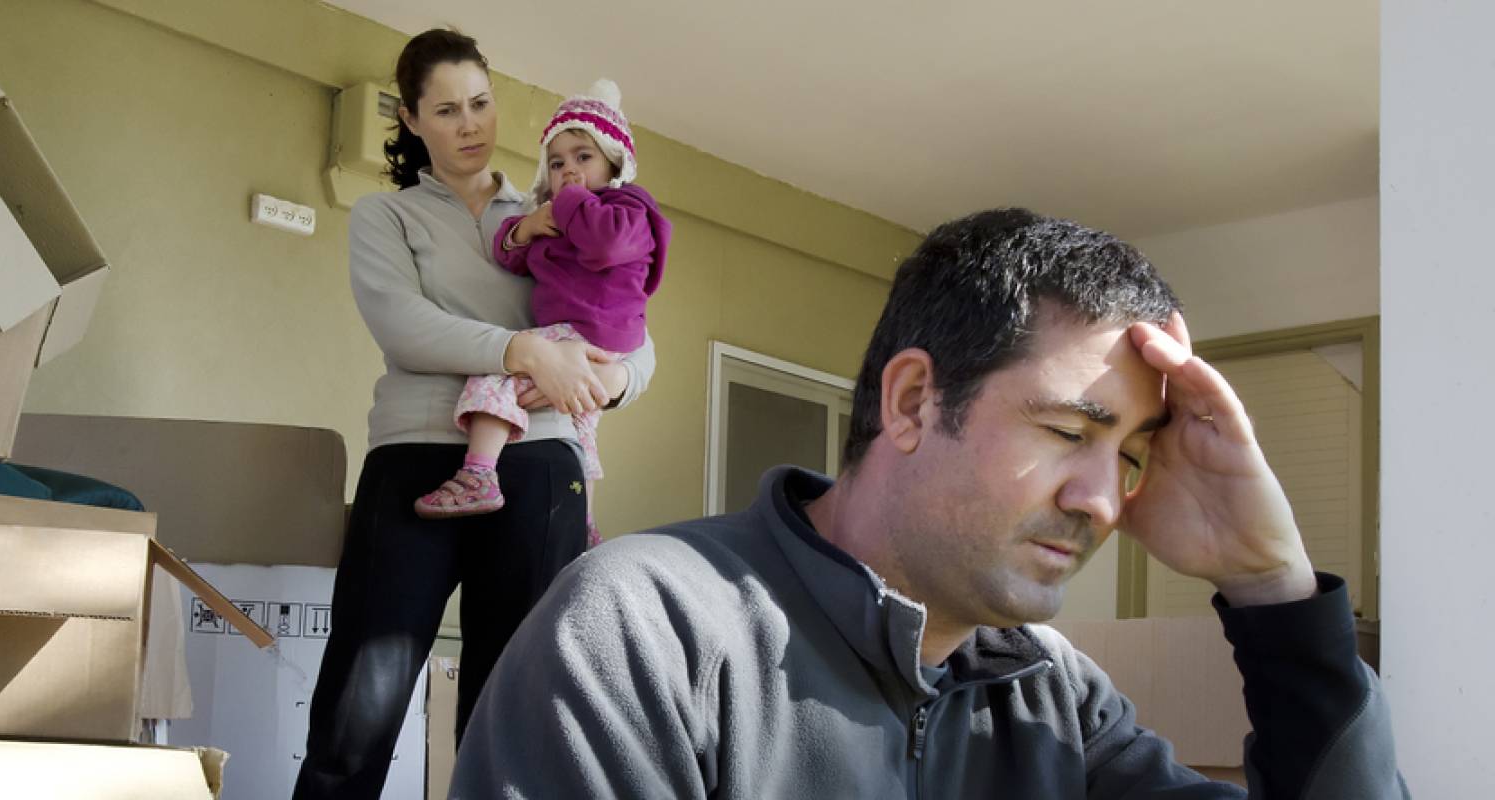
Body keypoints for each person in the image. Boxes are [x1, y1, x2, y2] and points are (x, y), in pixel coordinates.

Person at [451, 208, 1404, 798]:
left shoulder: (1054, 700)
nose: (1104, 500)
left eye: (1135, 456)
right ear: (913, 401)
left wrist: (1271, 588)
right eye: (1073, 434)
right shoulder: (644, 631)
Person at [292, 29, 655, 799]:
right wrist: (525, 351)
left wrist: (614, 379)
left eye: (482, 103)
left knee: (510, 715)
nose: (471, 124)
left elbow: (633, 332)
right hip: (418, 457)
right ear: (413, 120)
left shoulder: (560, 203)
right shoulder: (385, 218)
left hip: (540, 467)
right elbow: (404, 325)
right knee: (360, 706)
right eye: (448, 109)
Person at [414, 79, 671, 552]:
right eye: (557, 163)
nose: (568, 170)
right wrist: (526, 227)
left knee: (499, 373)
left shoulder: (627, 207)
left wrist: (569, 200)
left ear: (614, 161)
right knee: (581, 425)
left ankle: (478, 473)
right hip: (584, 333)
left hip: (594, 326)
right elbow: (514, 258)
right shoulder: (562, 217)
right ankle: (588, 523)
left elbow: (609, 243)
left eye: (582, 157)